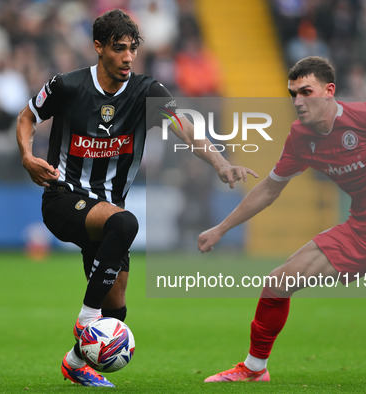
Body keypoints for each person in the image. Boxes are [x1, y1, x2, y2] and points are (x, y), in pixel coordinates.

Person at [16, 9, 255, 388]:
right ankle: (85, 320)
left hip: (107, 207)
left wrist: (220, 162)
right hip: (64, 198)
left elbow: (186, 130)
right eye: (119, 49)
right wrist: (28, 157)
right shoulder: (67, 86)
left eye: (132, 49)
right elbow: (27, 117)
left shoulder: (148, 92)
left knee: (118, 310)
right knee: (125, 224)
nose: (128, 57)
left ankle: (76, 361)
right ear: (98, 47)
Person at [198, 56, 366, 384]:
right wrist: (221, 228)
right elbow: (270, 189)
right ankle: (254, 368)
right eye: (293, 95)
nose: (298, 101)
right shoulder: (300, 137)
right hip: (360, 229)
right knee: (278, 281)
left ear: (329, 91)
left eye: (306, 92)